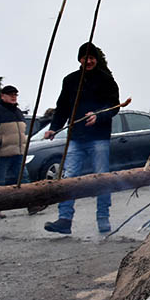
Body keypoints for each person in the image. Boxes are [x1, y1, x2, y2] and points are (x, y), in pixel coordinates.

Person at [43, 43, 120, 235]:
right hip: (76, 137)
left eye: (92, 57)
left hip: (99, 137)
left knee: (101, 178)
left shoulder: (106, 79)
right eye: (85, 57)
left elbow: (114, 105)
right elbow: (62, 108)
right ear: (79, 59)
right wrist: (54, 128)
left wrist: (99, 115)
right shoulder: (70, 81)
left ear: (96, 59)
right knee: (69, 178)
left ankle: (103, 217)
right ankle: (64, 219)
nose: (89, 60)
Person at [0, 85, 30, 218]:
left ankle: (31, 204)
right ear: (2, 96)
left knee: (24, 179)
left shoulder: (18, 111)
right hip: (2, 153)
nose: (13, 97)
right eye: (10, 94)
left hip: (18, 152)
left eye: (15, 94)